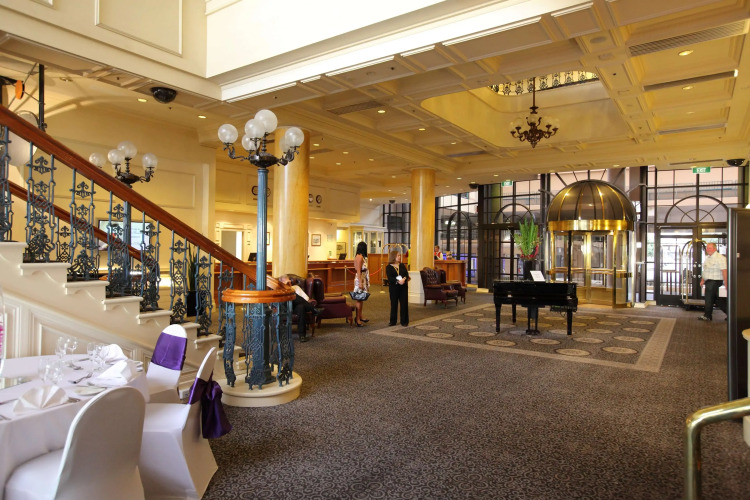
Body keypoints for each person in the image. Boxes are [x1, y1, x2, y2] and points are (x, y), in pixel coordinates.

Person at [279, 274, 322, 342]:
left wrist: (292, 290)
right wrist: (287, 289)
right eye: (286, 282)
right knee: (293, 294)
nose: (288, 283)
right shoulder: (279, 290)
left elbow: (306, 298)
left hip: (296, 307)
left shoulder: (296, 287)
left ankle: (302, 335)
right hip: (286, 307)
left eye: (289, 281)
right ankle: (313, 310)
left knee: (301, 307)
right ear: (281, 283)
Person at [699, 242, 727, 321]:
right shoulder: (708, 257)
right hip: (709, 281)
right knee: (716, 299)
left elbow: (724, 270)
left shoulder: (720, 258)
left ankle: (707, 316)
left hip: (715, 281)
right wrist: (703, 279)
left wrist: (726, 282)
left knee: (708, 298)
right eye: (707, 248)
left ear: (715, 249)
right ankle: (731, 314)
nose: (708, 249)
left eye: (710, 248)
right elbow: (706, 270)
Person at [385, 250, 409, 326]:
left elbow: (406, 274)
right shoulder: (389, 267)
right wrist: (398, 281)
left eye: (399, 255)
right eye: (398, 255)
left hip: (403, 287)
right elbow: (390, 278)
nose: (399, 257)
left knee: (404, 304)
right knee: (394, 304)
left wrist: (404, 279)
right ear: (393, 257)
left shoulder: (401, 265)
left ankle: (404, 321)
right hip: (394, 288)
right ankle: (393, 321)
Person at [353, 241, 370, 327]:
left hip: (362, 279)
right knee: (359, 299)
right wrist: (360, 283)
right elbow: (359, 271)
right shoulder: (359, 257)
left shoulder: (360, 256)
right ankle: (357, 319)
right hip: (360, 279)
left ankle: (360, 316)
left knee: (361, 298)